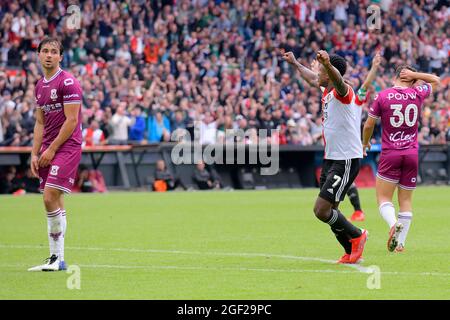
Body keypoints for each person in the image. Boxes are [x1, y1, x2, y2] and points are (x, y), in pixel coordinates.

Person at [283, 49, 368, 264]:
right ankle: (350, 250)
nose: (317, 74)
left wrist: (328, 65)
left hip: (346, 159)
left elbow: (338, 80)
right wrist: (294, 63)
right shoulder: (327, 91)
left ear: (330, 74)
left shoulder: (343, 90)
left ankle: (358, 235)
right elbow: (310, 77)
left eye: (321, 71)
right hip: (331, 158)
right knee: (331, 211)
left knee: (321, 210)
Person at [362, 65, 440, 252]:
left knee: (383, 197)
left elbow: (369, 125)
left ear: (395, 77)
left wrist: (365, 143)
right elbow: (436, 80)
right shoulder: (417, 93)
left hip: (391, 153)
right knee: (405, 200)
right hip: (412, 153)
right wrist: (415, 75)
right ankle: (401, 243)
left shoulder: (383, 96)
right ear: (412, 79)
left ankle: (393, 224)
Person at [28, 37, 83, 272]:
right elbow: (39, 123)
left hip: (67, 147)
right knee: (55, 200)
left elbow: (72, 121)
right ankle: (57, 259)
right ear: (39, 55)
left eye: (53, 51)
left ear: (60, 56)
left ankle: (55, 257)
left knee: (49, 197)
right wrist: (34, 152)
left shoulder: (68, 82)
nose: (49, 55)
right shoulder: (39, 86)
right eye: (45, 51)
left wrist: (51, 149)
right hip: (47, 148)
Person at [346, 52, 383, 222]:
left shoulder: (355, 100)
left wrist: (374, 67)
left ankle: (358, 211)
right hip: (335, 148)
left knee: (344, 181)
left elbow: (366, 84)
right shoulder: (331, 98)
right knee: (342, 182)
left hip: (348, 147)